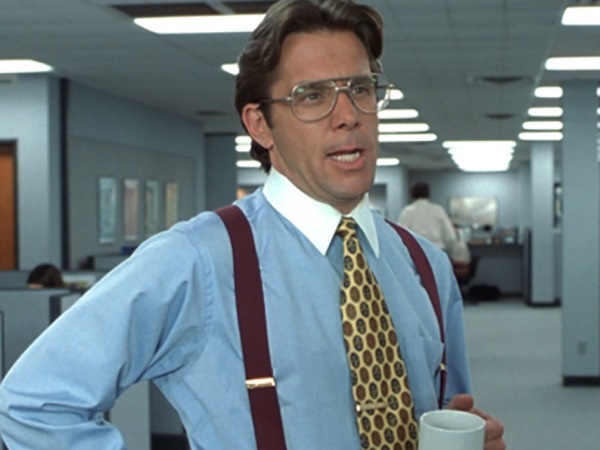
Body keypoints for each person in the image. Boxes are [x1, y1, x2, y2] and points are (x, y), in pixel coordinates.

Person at [0, 1, 504, 449]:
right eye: (312, 96)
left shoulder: (425, 265)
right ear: (260, 124)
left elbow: (446, 413)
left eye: (360, 88)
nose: (348, 115)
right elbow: (32, 405)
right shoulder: (196, 261)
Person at [398, 181, 471, 265]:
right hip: (436, 251)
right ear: (428, 194)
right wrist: (452, 255)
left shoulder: (407, 211)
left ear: (412, 194)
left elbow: (400, 236)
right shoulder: (438, 210)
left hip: (415, 253)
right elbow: (450, 236)